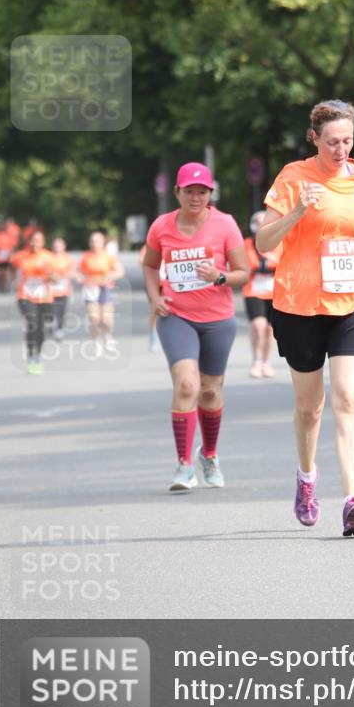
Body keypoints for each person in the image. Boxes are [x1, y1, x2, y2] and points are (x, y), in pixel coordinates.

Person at [256, 99, 354, 537]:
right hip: (301, 303)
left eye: (348, 141)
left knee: (347, 397)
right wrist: (298, 210)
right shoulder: (293, 178)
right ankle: (306, 478)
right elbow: (264, 242)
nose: (341, 150)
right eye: (333, 142)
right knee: (309, 407)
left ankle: (352, 502)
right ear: (314, 139)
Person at [142, 162, 250, 492]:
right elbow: (150, 265)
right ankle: (184, 465)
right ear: (177, 192)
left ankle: (210, 455)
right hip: (177, 316)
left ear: (210, 194)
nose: (196, 197)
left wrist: (219, 276)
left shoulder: (225, 224)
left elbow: (243, 272)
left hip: (217, 318)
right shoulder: (161, 226)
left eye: (202, 192)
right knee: (187, 385)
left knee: (210, 391)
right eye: (189, 191)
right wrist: (154, 297)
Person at [242, 210, 280, 378]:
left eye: (263, 222)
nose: (260, 226)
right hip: (253, 290)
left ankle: (266, 361)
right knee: (258, 325)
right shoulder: (247, 244)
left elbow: (284, 263)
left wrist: (273, 261)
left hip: (273, 291)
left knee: (269, 329)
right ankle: (256, 360)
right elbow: (246, 265)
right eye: (257, 223)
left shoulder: (279, 242)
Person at [11, 229, 54, 374]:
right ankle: (30, 355)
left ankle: (38, 354)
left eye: (38, 241)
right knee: (32, 323)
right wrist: (15, 281)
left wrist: (50, 274)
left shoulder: (49, 257)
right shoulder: (20, 257)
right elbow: (13, 271)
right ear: (28, 241)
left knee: (40, 328)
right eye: (32, 240)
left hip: (44, 296)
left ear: (43, 242)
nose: (35, 243)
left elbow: (56, 279)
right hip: (25, 295)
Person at [78, 229, 125, 354]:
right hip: (91, 289)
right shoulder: (85, 257)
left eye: (97, 241)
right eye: (92, 241)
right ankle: (96, 340)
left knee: (106, 320)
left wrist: (110, 276)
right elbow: (78, 272)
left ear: (103, 242)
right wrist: (81, 278)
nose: (94, 244)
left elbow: (120, 272)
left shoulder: (109, 256)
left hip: (106, 288)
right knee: (94, 318)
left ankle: (108, 335)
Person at [49, 237, 76, 340]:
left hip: (63, 289)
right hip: (50, 289)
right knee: (51, 309)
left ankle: (59, 328)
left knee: (61, 310)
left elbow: (72, 271)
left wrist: (64, 276)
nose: (57, 248)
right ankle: (51, 323)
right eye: (55, 246)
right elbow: (45, 271)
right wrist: (52, 277)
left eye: (59, 246)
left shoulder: (67, 258)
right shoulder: (49, 257)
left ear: (64, 246)